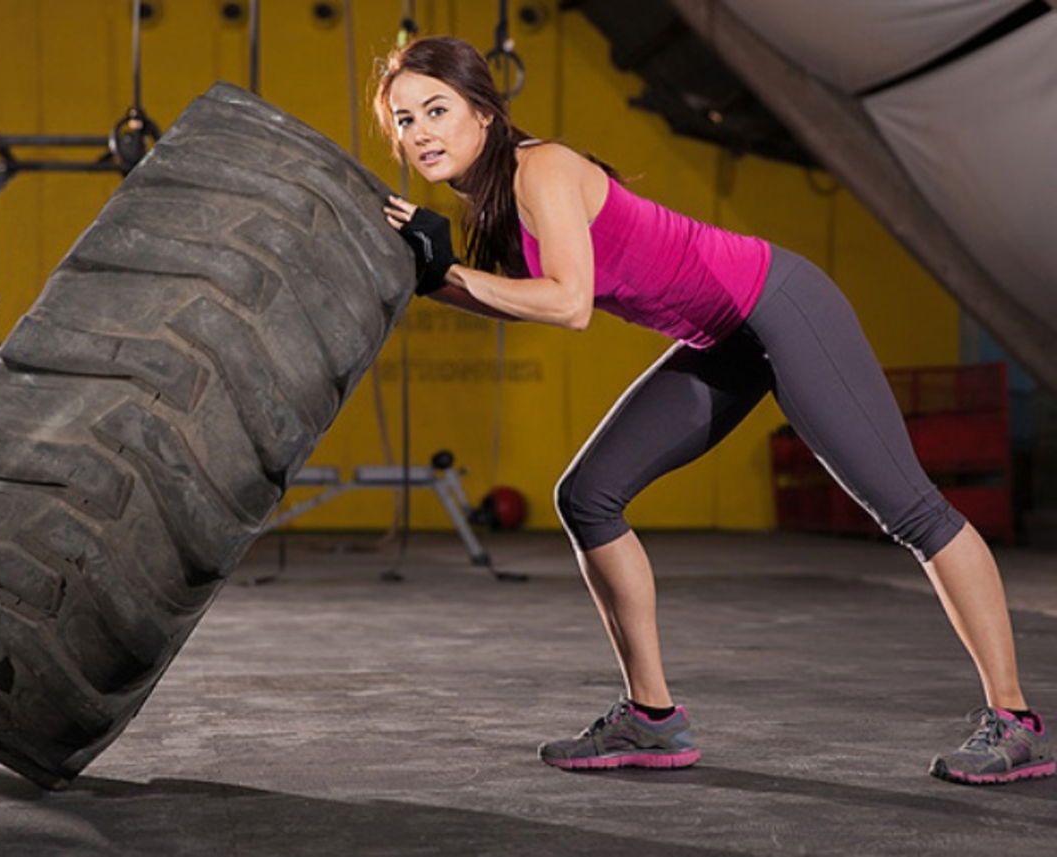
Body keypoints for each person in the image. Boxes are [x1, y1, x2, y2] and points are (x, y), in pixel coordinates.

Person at [374, 35, 1052, 785]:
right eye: (403, 121)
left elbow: (568, 303)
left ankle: (1016, 721)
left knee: (912, 510)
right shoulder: (496, 201)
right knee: (588, 497)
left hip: (779, 305)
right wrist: (434, 280)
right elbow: (522, 299)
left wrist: (451, 271)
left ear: (484, 110)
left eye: (436, 110)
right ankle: (653, 717)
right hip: (722, 337)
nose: (421, 133)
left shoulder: (544, 168)